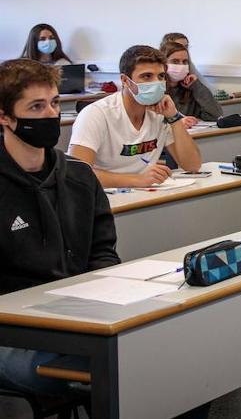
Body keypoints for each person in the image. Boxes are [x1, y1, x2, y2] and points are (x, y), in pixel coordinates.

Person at [0, 59, 119, 398]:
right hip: (15, 331)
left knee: (177, 366)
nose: (50, 114)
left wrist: (103, 293)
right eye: (36, 106)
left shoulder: (80, 176)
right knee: (111, 377)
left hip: (81, 320)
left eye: (53, 103)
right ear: (4, 117)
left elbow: (103, 250)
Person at [68, 45, 204, 187]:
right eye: (146, 76)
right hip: (104, 197)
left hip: (144, 195)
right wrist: (137, 180)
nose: (156, 83)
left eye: (161, 76)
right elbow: (77, 174)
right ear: (125, 81)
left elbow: (192, 165)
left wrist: (174, 118)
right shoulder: (96, 114)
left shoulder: (161, 113)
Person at [161, 40, 222, 124]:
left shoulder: (190, 89)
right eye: (175, 61)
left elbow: (215, 115)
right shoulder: (156, 90)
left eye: (185, 62)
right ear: (163, 64)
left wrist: (196, 86)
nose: (181, 65)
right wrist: (176, 122)